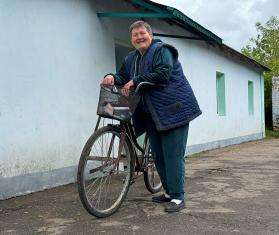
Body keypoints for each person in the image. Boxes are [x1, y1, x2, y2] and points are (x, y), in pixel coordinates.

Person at [101, 21, 202, 213]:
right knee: (158, 156)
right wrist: (112, 77)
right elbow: (123, 76)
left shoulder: (162, 50)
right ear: (131, 40)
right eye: (135, 35)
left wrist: (136, 80)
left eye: (142, 33)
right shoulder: (131, 58)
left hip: (174, 111)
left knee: (173, 155)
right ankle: (169, 192)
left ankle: (178, 197)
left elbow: (163, 74)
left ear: (150, 34)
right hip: (152, 115)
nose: (139, 37)